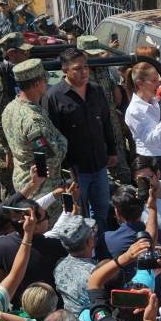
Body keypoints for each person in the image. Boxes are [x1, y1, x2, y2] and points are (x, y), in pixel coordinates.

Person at [44, 46, 117, 231]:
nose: (84, 72)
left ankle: (101, 247)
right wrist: (65, 170)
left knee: (102, 212)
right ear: (65, 70)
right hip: (76, 170)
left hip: (99, 164)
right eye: (77, 68)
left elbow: (107, 122)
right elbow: (52, 137)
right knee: (79, 214)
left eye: (85, 66)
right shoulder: (54, 97)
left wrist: (112, 150)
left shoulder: (96, 90)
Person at [2, 59, 68, 210]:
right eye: (45, 79)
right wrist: (63, 141)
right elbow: (52, 157)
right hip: (42, 190)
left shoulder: (10, 108)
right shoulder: (33, 121)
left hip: (23, 183)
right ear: (37, 83)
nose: (47, 83)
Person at [0, 33, 30, 199]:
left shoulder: (17, 73)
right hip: (2, 143)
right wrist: (7, 149)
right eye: (23, 51)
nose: (27, 54)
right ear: (11, 53)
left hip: (18, 138)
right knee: (10, 187)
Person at [125, 62, 161, 179]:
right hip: (149, 162)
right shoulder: (134, 110)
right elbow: (149, 140)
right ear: (140, 84)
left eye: (158, 80)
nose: (159, 84)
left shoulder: (156, 101)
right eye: (154, 81)